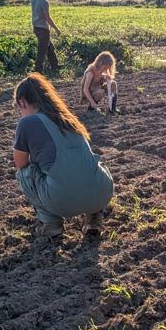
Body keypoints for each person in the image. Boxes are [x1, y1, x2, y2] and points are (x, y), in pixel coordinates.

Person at [12, 73, 114, 243]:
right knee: (90, 165)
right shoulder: (68, 119)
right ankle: (94, 218)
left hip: (62, 201)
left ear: (22, 102)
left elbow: (20, 163)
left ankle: (51, 223)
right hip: (102, 193)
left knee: (24, 173)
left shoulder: (27, 123)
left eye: (19, 109)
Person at [30, 0, 61, 74]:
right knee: (42, 50)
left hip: (36, 28)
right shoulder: (44, 2)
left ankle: (55, 65)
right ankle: (38, 71)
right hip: (43, 29)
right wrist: (56, 29)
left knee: (49, 47)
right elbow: (47, 17)